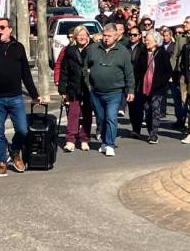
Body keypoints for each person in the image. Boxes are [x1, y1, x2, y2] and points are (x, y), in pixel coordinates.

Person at [0, 17, 41, 177]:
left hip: (15, 97)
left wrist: (34, 94)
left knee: (23, 130)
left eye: (2, 27)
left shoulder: (18, 47)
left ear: (10, 29)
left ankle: (14, 150)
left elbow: (26, 73)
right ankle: (1, 163)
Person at [85, 23, 135, 157]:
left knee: (111, 117)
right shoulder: (94, 48)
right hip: (96, 92)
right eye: (104, 35)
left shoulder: (123, 51)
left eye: (109, 36)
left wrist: (130, 90)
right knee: (101, 119)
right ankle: (104, 142)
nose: (106, 38)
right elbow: (84, 68)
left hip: (114, 92)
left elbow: (129, 73)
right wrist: (88, 84)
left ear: (116, 36)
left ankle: (110, 144)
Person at [58, 25, 93, 152]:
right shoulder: (69, 50)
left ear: (88, 36)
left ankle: (84, 138)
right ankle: (70, 140)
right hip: (73, 86)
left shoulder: (93, 49)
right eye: (79, 35)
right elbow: (64, 70)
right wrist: (62, 88)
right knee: (73, 113)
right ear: (75, 37)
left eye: (84, 35)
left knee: (87, 114)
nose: (82, 37)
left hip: (88, 87)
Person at [135, 31, 172, 144]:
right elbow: (137, 70)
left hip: (157, 88)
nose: (146, 42)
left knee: (155, 109)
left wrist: (161, 82)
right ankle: (150, 130)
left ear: (156, 42)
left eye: (149, 40)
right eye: (146, 39)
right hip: (144, 87)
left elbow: (168, 71)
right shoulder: (142, 53)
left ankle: (154, 134)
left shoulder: (162, 53)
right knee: (147, 110)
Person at [126, 26, 147, 139]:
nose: (132, 37)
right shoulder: (126, 47)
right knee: (131, 106)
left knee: (138, 105)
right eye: (130, 35)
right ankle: (134, 127)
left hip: (139, 81)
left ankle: (137, 129)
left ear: (139, 36)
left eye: (135, 35)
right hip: (128, 81)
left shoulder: (143, 48)